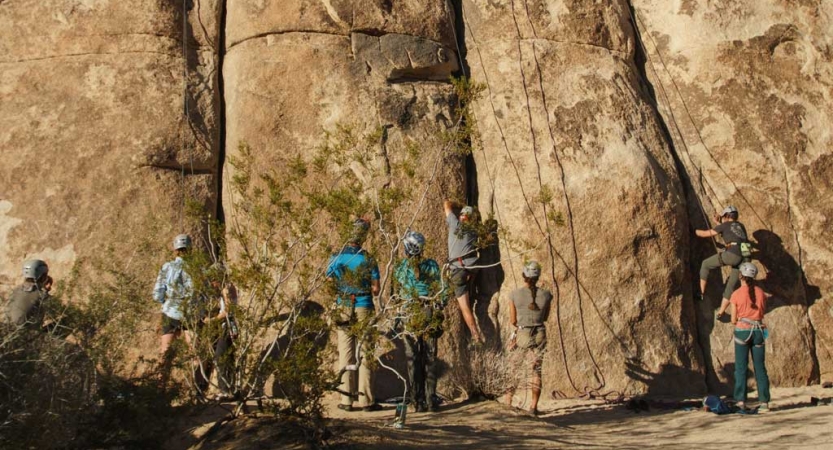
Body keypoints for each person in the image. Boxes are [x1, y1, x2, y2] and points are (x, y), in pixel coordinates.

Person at [326, 218, 381, 412]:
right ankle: (367, 400)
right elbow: (376, 289)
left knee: (346, 353)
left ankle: (346, 400)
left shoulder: (337, 256)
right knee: (366, 352)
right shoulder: (368, 258)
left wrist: (341, 290)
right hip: (364, 304)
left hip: (343, 305)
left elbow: (328, 279)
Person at [394, 231, 446, 413]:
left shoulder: (400, 267)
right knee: (430, 356)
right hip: (427, 309)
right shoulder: (431, 264)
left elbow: (396, 293)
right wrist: (440, 304)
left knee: (412, 357)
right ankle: (431, 399)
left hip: (408, 311)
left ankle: (417, 401)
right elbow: (442, 289)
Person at [504, 261, 552, 416]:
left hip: (523, 333)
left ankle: (508, 403)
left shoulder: (514, 294)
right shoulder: (546, 295)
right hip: (539, 333)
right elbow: (545, 317)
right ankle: (533, 407)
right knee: (536, 371)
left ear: (524, 275)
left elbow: (513, 320)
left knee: (514, 369)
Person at [695, 205, 751, 317]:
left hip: (732, 254)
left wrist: (694, 231)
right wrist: (718, 222)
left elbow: (706, 234)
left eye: (723, 216)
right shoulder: (741, 226)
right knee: (731, 286)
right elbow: (728, 230)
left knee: (705, 264)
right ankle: (721, 313)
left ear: (726, 216)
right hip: (745, 257)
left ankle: (700, 293)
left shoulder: (725, 225)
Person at [731, 262, 771, 412]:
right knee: (760, 367)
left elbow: (733, 319)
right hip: (758, 331)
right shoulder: (761, 293)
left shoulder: (736, 294)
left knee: (741, 367)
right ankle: (764, 402)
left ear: (741, 275)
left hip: (742, 331)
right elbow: (761, 312)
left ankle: (740, 400)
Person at [443, 199, 481, 342]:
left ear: (461, 216)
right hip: (472, 268)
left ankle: (475, 337)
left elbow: (446, 204)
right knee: (468, 292)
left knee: (465, 307)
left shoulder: (454, 224)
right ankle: (470, 289)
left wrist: (455, 203)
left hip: (458, 270)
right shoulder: (475, 231)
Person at [153, 234, 195, 359]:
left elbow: (157, 294)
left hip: (171, 312)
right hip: (191, 313)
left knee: (165, 352)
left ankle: (160, 378)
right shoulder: (197, 268)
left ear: (175, 250)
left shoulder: (167, 267)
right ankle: (196, 378)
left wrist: (165, 302)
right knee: (194, 353)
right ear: (190, 249)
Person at [202, 262, 238, 400]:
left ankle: (225, 391)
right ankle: (230, 388)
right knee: (227, 356)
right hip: (229, 324)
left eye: (213, 278)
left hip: (228, 324)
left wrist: (212, 320)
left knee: (221, 356)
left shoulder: (226, 288)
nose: (212, 282)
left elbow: (229, 310)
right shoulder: (227, 287)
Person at [3, 259, 53, 329]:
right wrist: (45, 291)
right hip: (26, 336)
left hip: (6, 331)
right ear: (43, 276)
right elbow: (55, 312)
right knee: (65, 320)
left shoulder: (15, 291)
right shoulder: (42, 296)